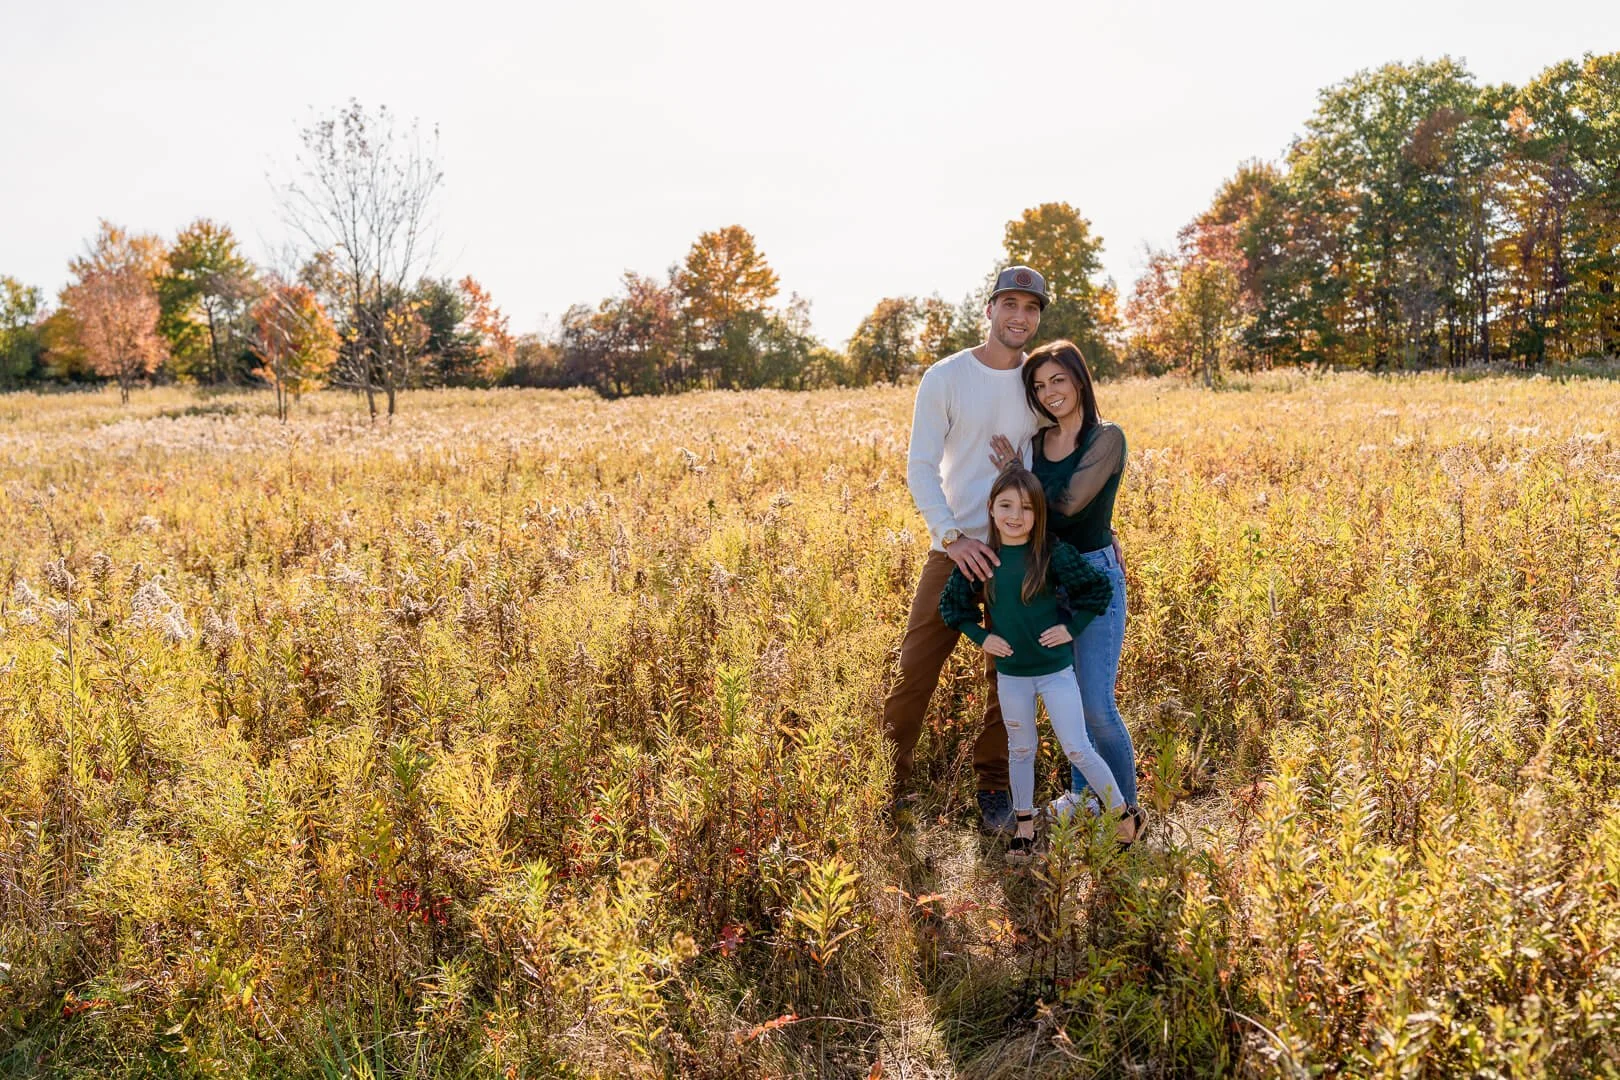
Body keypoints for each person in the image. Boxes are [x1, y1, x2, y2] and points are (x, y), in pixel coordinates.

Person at [882, 265, 1047, 835]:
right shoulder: (947, 376)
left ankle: (995, 788)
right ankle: (889, 785)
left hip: (1016, 552)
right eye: (1010, 304)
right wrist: (953, 538)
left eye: (1031, 308)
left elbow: (1056, 459)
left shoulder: (1038, 382)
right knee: (915, 670)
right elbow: (920, 466)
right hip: (953, 549)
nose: (1019, 316)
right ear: (990, 309)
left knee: (1009, 678)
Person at [937, 466, 1138, 861]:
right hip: (1013, 677)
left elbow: (1096, 589)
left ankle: (1125, 816)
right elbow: (952, 607)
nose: (1016, 516)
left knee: (1077, 748)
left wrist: (1070, 628)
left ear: (1039, 514)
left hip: (1055, 673)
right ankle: (1025, 829)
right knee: (1021, 750)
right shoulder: (985, 559)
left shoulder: (1051, 553)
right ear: (991, 508)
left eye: (1027, 508)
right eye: (1006, 505)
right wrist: (982, 637)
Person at [991, 339, 1137, 827]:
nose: (1049, 392)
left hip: (1093, 575)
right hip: (1049, 579)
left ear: (1078, 380)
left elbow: (1070, 504)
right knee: (1069, 706)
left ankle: (1127, 812)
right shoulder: (1037, 442)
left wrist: (1017, 478)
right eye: (1039, 385)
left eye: (1058, 380)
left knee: (1096, 707)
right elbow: (1030, 513)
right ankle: (1085, 799)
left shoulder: (1106, 438)